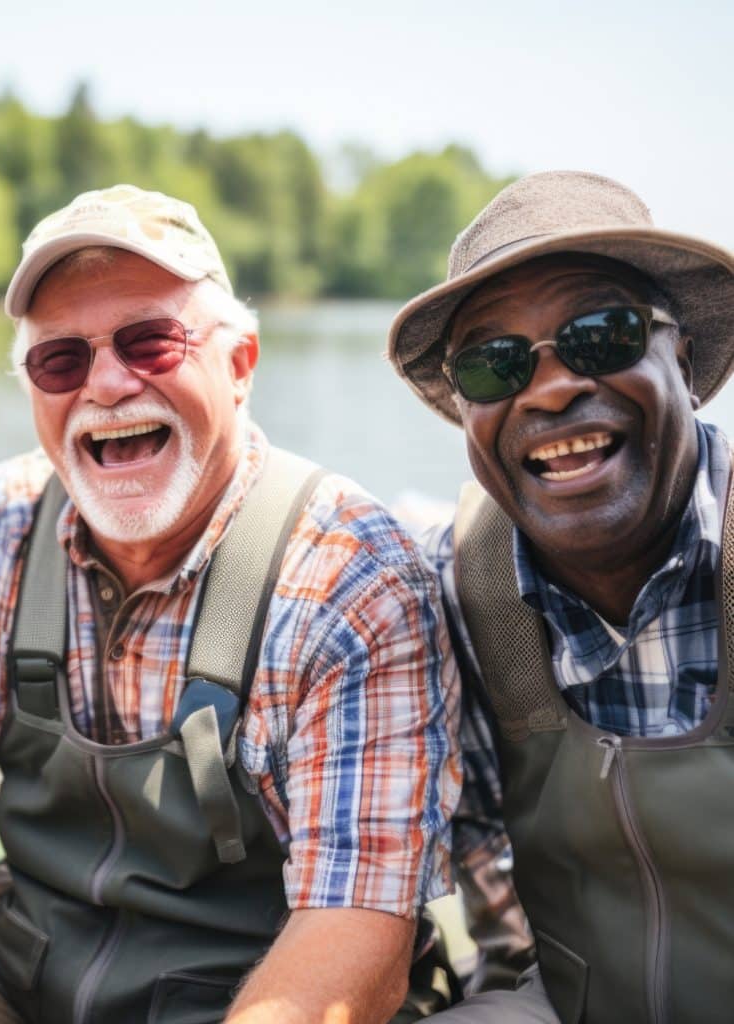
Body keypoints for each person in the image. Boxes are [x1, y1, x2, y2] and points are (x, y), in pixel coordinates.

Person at [0, 184, 460, 1024]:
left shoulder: (350, 572)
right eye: (62, 360)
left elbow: (353, 939)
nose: (107, 384)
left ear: (239, 363)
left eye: (150, 342)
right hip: (22, 961)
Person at [388, 170, 734, 1023]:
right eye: (493, 362)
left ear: (681, 357)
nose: (545, 389)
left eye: (601, 334)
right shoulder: (453, 596)